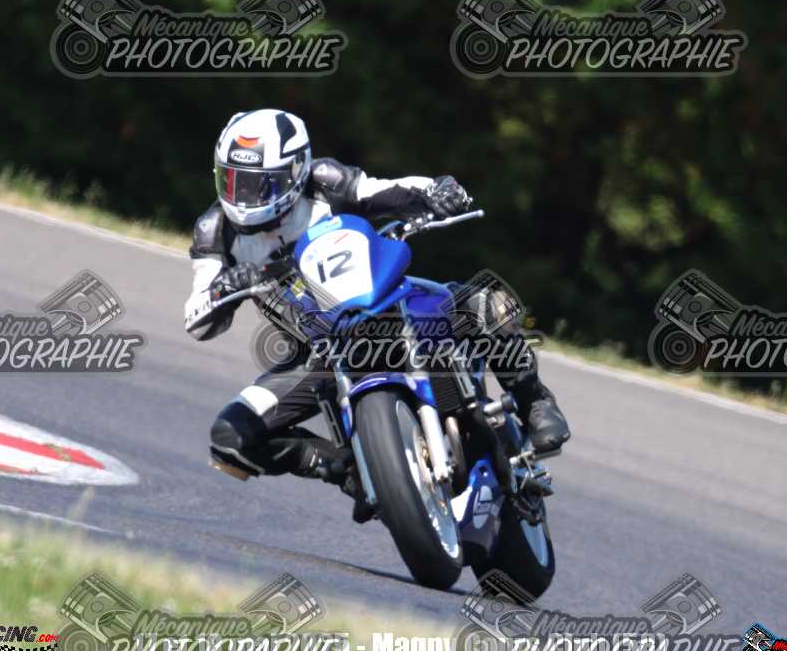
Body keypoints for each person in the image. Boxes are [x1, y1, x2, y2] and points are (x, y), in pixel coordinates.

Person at [184, 109, 569, 501]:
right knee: (231, 435)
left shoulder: (326, 182)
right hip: (318, 355)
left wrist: (438, 190)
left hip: (386, 305)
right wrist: (222, 289)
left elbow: (388, 189)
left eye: (258, 185)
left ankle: (534, 400)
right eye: (232, 181)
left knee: (481, 301)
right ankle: (348, 467)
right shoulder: (215, 232)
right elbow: (197, 319)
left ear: (294, 171)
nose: (242, 197)